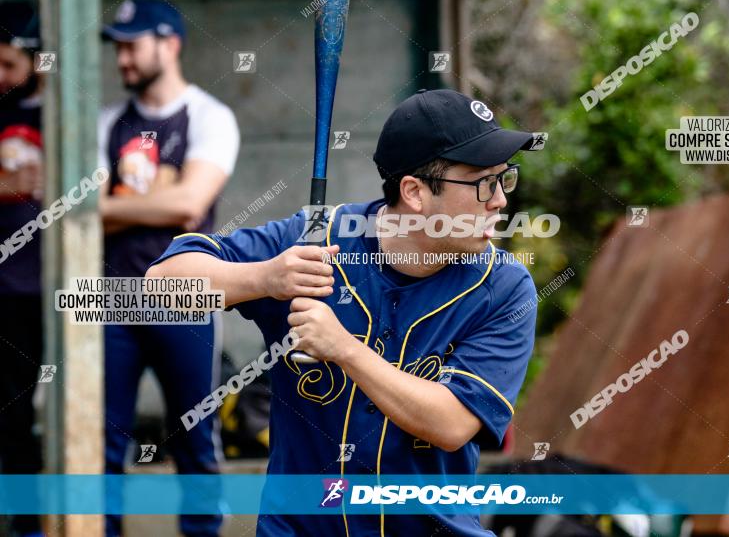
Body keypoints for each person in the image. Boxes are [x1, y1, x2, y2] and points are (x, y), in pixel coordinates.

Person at [148, 88, 541, 536]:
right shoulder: (315, 239)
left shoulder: (505, 288)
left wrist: (344, 349)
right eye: (482, 183)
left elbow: (451, 424)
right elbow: (162, 285)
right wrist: (265, 279)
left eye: (504, 178)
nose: (500, 201)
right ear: (414, 192)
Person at [97, 0, 240, 537]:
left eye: (132, 46)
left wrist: (120, 205)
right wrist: (161, 196)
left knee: (195, 438)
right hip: (109, 299)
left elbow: (187, 207)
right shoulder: (107, 121)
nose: (122, 60)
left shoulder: (210, 116)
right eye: (118, 48)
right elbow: (78, 215)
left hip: (188, 298)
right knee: (103, 440)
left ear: (170, 43)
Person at [0, 0, 45, 537]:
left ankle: (30, 520)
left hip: (39, 287)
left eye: (9, 63)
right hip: (5, 288)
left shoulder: (66, 116)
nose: (0, 75)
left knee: (22, 415)